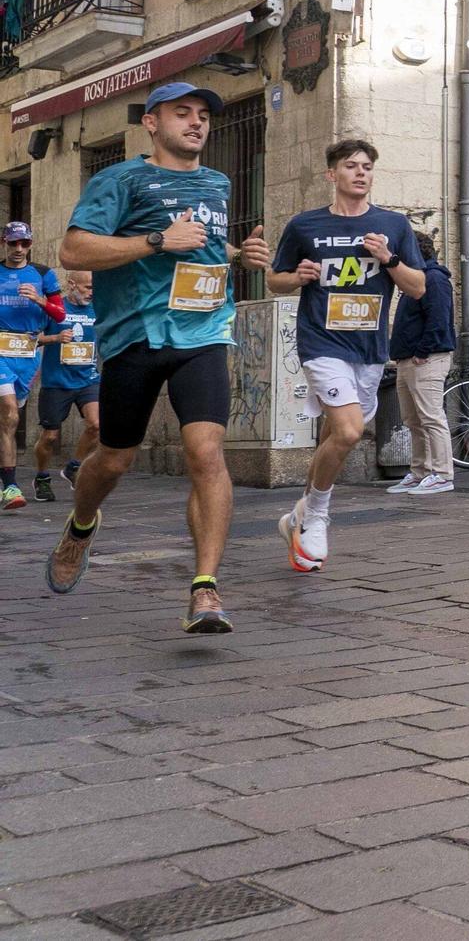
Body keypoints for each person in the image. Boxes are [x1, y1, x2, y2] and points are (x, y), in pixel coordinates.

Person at [46, 81, 270, 633]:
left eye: (203, 115)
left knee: (206, 454)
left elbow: (204, 250)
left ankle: (205, 589)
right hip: (135, 339)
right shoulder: (119, 179)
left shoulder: (217, 182)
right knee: (114, 460)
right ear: (152, 122)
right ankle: (80, 524)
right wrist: (154, 242)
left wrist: (244, 255)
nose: (196, 123)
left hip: (204, 334)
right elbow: (74, 250)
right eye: (182, 113)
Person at [268, 140, 426, 571]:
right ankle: (317, 514)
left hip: (370, 348)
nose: (361, 173)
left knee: (334, 435)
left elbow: (416, 287)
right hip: (321, 342)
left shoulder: (393, 225)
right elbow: (274, 281)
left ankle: (297, 517)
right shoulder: (305, 225)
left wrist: (388, 257)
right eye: (351, 166)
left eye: (367, 167)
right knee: (350, 431)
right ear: (331, 175)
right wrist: (295, 277)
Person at [386, 231, 457, 495]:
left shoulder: (434, 279)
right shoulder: (414, 279)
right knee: (413, 420)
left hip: (426, 358)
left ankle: (441, 474)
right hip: (409, 359)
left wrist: (422, 350)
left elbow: (438, 318)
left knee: (431, 418)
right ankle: (420, 472)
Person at [0, 220, 62, 508]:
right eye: (13, 243)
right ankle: (11, 487)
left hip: (28, 354)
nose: (18, 248)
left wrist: (39, 300)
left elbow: (60, 315)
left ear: (31, 244)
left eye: (24, 243)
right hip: (1, 352)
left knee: (10, 417)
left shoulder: (43, 274)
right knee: (10, 415)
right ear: (4, 243)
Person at [33, 269, 98, 501]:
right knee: (50, 437)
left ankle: (74, 466)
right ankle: (41, 477)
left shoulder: (98, 307)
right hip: (56, 382)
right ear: (72, 284)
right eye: (88, 287)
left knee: (96, 425)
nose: (92, 292)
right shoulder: (55, 308)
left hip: (88, 379)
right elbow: (31, 337)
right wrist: (55, 339)